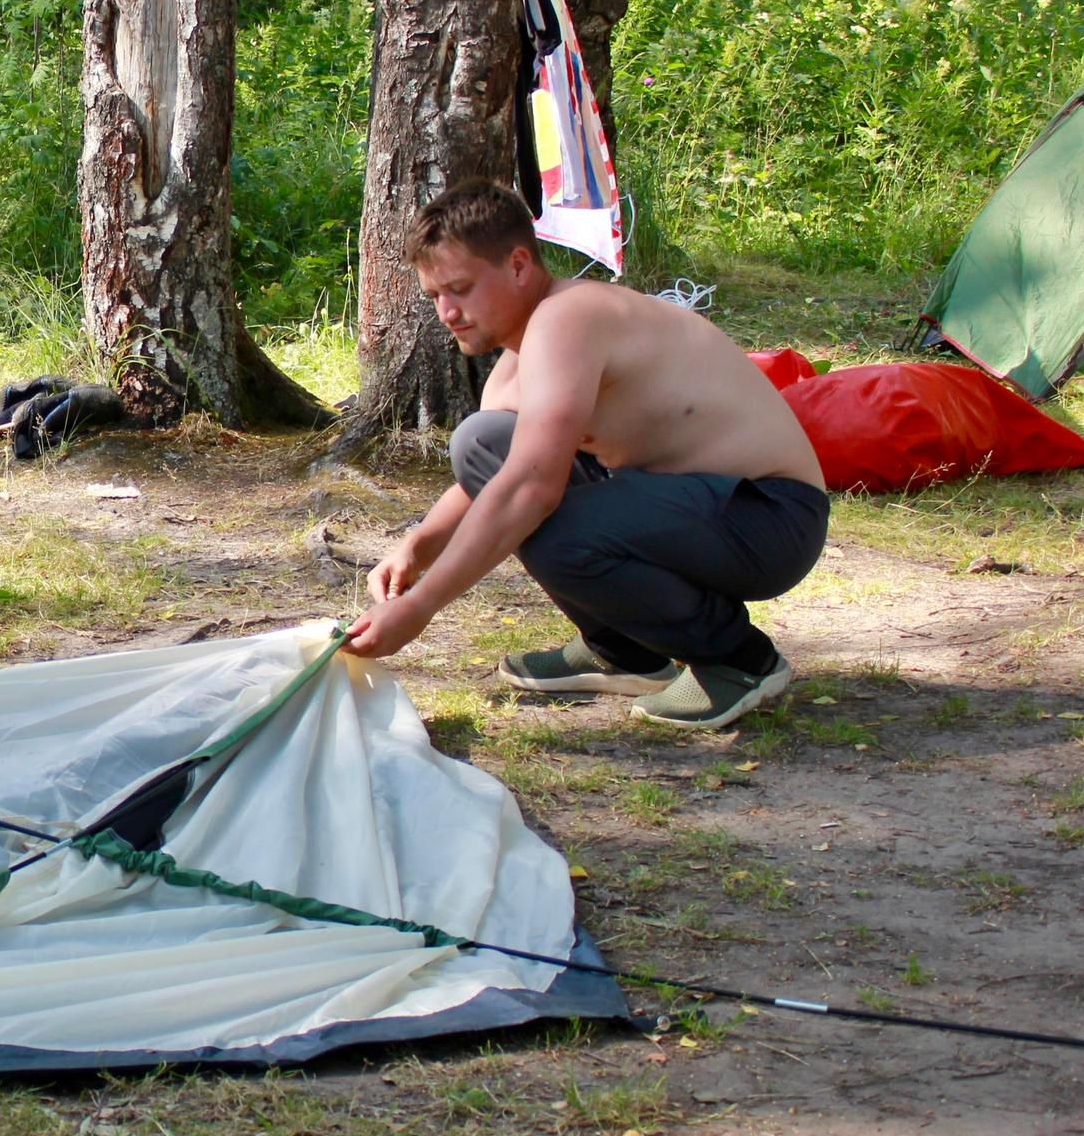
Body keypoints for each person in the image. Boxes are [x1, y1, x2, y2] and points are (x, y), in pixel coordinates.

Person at [343, 179, 828, 730]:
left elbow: (530, 488)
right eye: (435, 296)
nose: (447, 313)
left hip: (769, 517)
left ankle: (740, 660)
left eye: (461, 288)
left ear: (520, 265)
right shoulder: (521, 353)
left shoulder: (568, 317)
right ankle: (623, 649)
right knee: (481, 442)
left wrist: (419, 607)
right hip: (693, 506)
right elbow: (503, 470)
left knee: (548, 522)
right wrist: (418, 546)